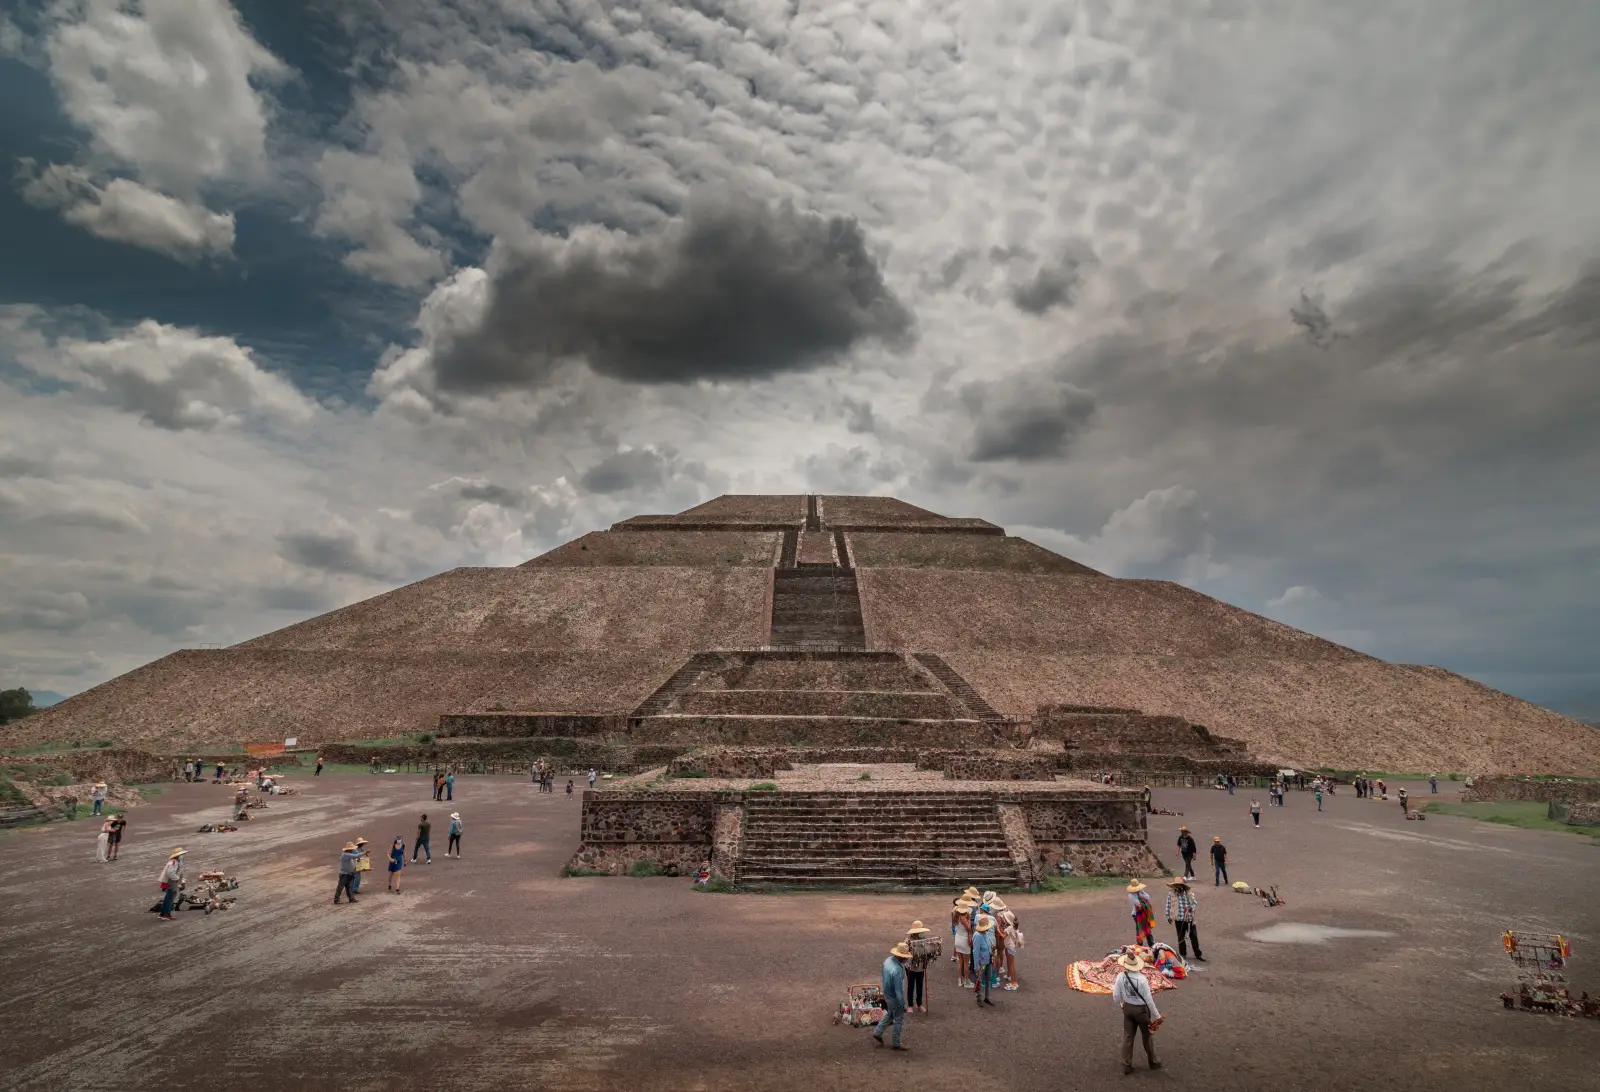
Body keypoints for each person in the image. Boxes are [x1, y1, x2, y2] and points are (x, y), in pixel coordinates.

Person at [1112, 951, 1162, 1074]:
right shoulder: (1142, 979)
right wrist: (1157, 1015)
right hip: (1142, 1011)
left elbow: (1116, 996)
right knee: (1147, 1036)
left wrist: (1121, 1004)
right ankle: (1153, 1061)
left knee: (1128, 1037)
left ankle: (1126, 1065)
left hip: (1128, 1008)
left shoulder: (1120, 976)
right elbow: (1149, 1000)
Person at [874, 942, 911, 1050]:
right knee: (898, 1019)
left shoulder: (888, 960)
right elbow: (898, 991)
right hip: (894, 997)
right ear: (901, 957)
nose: (906, 959)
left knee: (890, 1014)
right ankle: (896, 1043)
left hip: (887, 993)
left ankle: (878, 1031)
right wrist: (903, 1004)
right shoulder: (897, 970)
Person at [1165, 876, 1203, 961]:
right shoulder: (1171, 893)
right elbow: (1168, 905)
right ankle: (1183, 954)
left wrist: (1190, 908)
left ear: (1182, 885)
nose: (1178, 887)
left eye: (1180, 885)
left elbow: (1194, 903)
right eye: (1176, 885)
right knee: (1181, 937)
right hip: (1178, 919)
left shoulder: (1188, 893)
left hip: (1189, 919)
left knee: (1193, 936)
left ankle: (1198, 954)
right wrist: (1168, 916)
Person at [905, 920, 932, 1013]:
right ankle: (910, 1004)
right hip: (910, 967)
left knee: (920, 985)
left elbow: (928, 951)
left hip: (921, 966)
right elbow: (905, 953)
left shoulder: (923, 939)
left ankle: (919, 1003)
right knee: (911, 985)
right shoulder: (908, 941)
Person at [971, 914, 997, 1007]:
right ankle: (979, 998)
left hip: (988, 959)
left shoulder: (983, 934)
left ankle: (987, 997)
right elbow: (975, 951)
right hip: (982, 961)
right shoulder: (977, 936)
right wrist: (976, 966)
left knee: (988, 979)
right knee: (980, 979)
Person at [952, 896, 975, 987]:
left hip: (958, 938)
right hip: (964, 939)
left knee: (960, 961)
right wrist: (969, 919)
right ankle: (966, 980)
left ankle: (960, 979)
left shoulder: (955, 915)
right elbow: (968, 928)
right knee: (965, 962)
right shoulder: (963, 917)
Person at [157, 847, 185, 920]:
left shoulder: (177, 862)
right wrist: (177, 879)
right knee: (170, 898)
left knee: (168, 897)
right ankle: (166, 914)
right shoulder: (174, 862)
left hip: (172, 881)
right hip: (171, 882)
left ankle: (163, 913)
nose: (183, 856)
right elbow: (170, 873)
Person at [1127, 880, 1155, 947]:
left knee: (1148, 929)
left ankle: (1151, 945)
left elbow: (1148, 897)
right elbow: (1139, 904)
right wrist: (1142, 897)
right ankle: (1140, 945)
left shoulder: (1140, 892)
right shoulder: (1131, 895)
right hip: (1137, 914)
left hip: (1145, 913)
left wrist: (1141, 893)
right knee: (1139, 929)